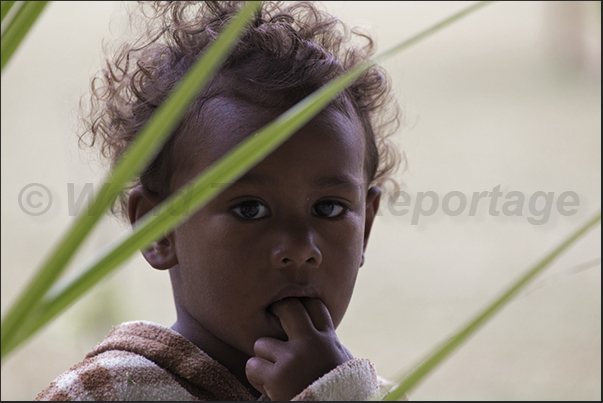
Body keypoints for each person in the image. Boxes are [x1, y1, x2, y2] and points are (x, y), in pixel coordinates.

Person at [36, 1, 404, 400]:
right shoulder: (109, 391)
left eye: (328, 208)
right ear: (158, 230)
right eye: (250, 209)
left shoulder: (368, 395)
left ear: (365, 226)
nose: (300, 249)